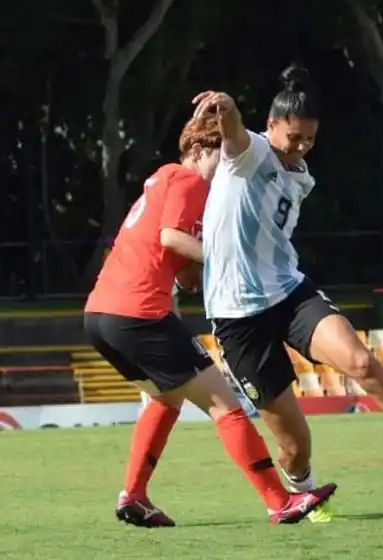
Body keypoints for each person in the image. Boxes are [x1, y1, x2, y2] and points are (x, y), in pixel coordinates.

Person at [194, 66, 383, 521]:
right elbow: (235, 133)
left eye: (309, 141)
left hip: (289, 294)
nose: (300, 148)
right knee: (294, 449)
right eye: (294, 137)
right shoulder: (250, 152)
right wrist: (227, 109)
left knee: (361, 361)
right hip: (237, 318)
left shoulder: (301, 177)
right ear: (272, 126)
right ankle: (305, 489)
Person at [84, 116, 336, 528]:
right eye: (223, 156)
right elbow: (170, 237)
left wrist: (203, 272)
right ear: (198, 152)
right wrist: (234, 259)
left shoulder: (161, 181)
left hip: (101, 317)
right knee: (224, 404)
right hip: (139, 313)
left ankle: (134, 494)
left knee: (166, 400)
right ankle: (279, 501)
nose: (229, 166)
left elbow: (177, 261)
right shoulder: (189, 181)